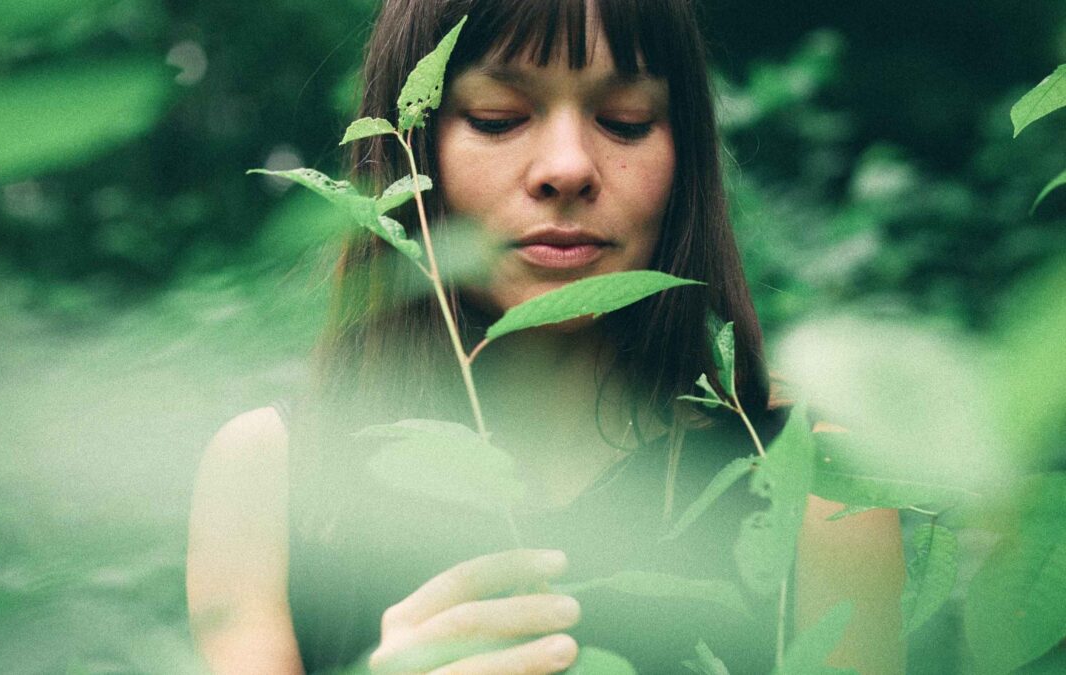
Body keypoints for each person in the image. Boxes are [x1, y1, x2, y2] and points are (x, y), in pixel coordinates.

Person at [186, 1, 906, 673]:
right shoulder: (271, 477)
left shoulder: (815, 485)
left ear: (685, 154)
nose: (568, 167)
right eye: (498, 116)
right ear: (408, 149)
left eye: (625, 119)